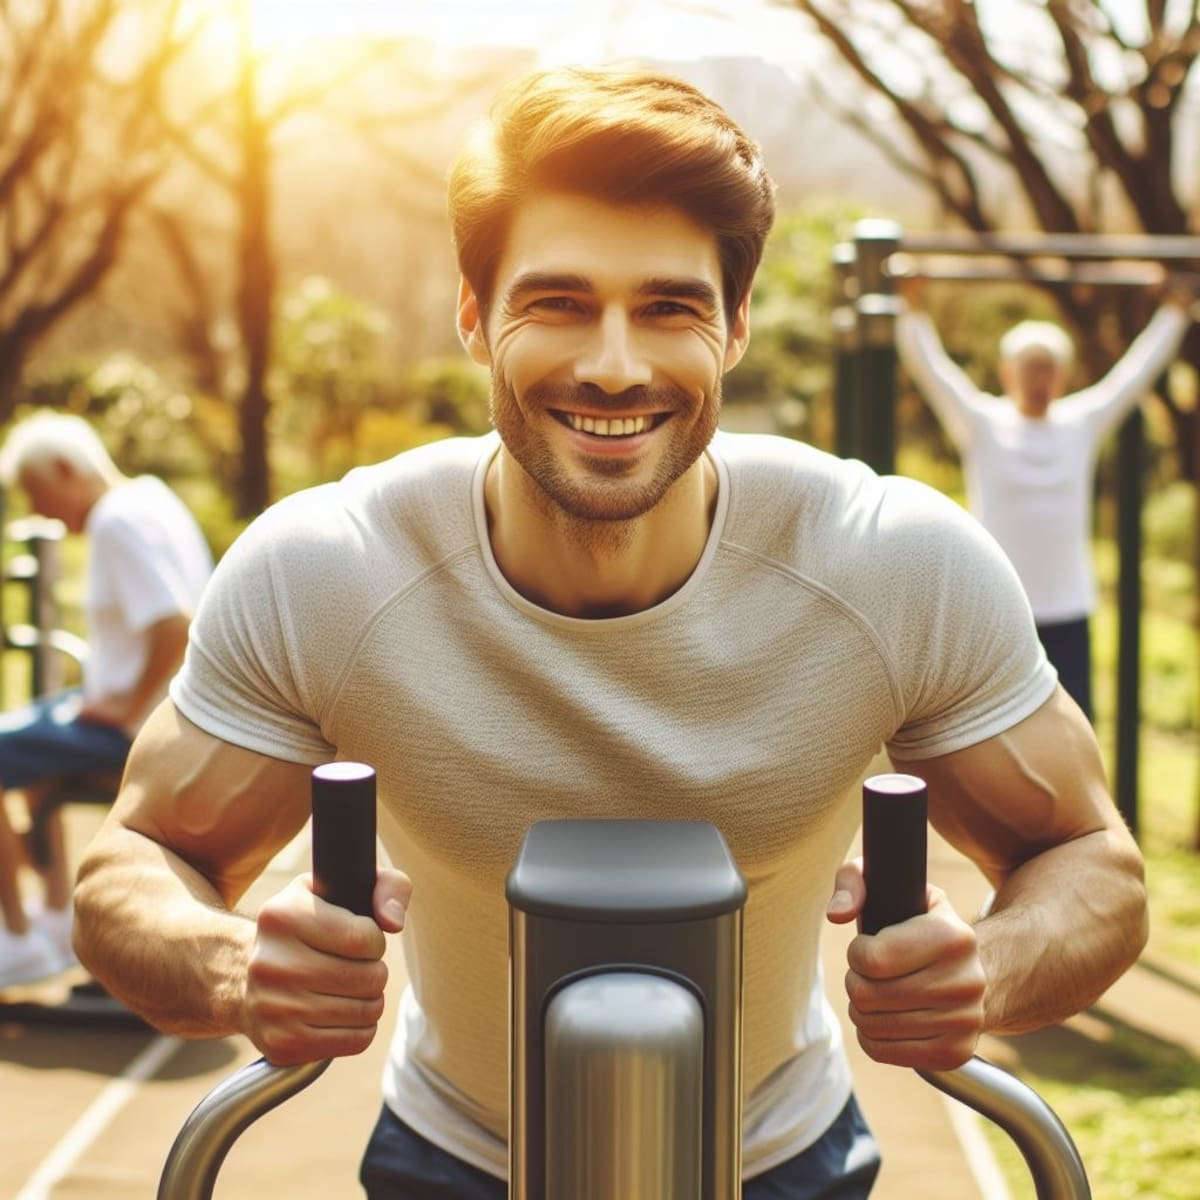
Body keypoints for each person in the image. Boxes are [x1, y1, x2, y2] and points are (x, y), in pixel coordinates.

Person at [73, 68, 1147, 1200]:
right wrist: (240, 968)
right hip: (457, 1154)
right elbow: (133, 867)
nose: (615, 365)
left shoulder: (894, 565)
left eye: (670, 307)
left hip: (779, 1156)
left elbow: (1092, 863)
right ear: (474, 316)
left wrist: (986, 969)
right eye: (560, 303)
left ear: (735, 327)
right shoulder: (326, 572)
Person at [896, 276, 1192, 718]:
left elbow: (1135, 375)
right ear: (1007, 374)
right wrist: (910, 307)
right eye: (1030, 368)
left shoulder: (1081, 423)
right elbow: (932, 369)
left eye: (1049, 369)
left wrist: (1175, 312)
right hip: (1000, 609)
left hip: (1068, 606)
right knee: (992, 726)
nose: (1040, 379)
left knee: (1073, 722)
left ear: (1064, 376)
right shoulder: (982, 424)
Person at [0, 413, 213, 990]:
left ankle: (16, 939)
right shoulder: (150, 497)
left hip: (139, 726)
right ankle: (52, 914)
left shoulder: (115, 523)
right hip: (155, 710)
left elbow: (174, 623)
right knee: (33, 737)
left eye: (39, 496)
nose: (41, 514)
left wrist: (124, 710)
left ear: (69, 470)